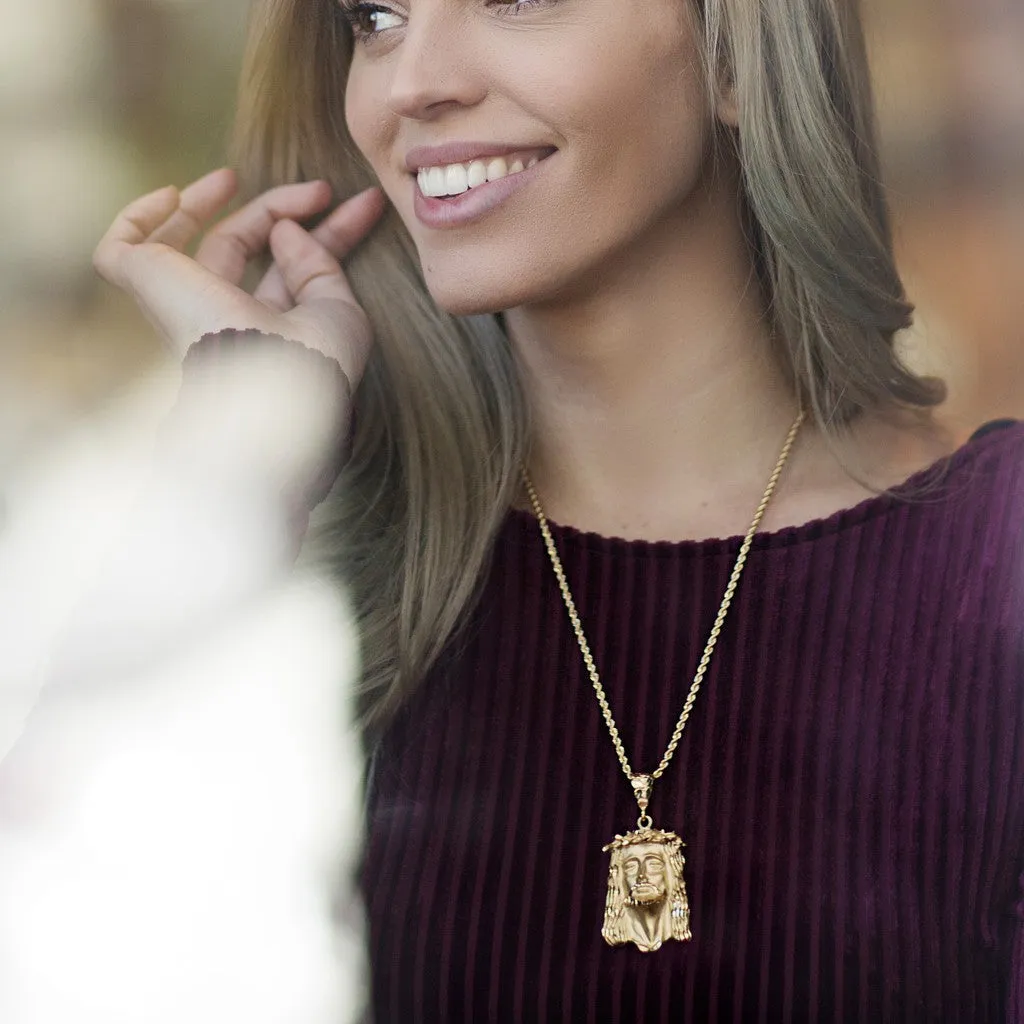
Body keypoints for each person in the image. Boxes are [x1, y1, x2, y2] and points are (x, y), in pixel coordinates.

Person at [91, 0, 1024, 1018]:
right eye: (375, 18)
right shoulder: (306, 582)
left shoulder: (995, 569)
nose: (412, 83)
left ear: (735, 56)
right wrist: (249, 452)